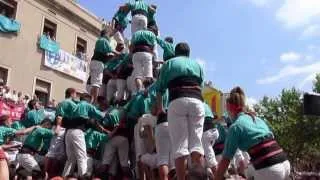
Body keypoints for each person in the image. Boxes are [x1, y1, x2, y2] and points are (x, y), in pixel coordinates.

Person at [214, 87, 291, 180]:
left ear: (230, 108)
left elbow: (225, 161)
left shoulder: (235, 127)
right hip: (285, 163)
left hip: (269, 168)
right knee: (249, 172)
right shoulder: (257, 119)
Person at [156, 42, 205, 180]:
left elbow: (159, 89)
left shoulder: (169, 63)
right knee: (196, 144)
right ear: (188, 54)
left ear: (176, 53)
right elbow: (200, 86)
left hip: (177, 100)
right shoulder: (198, 65)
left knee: (180, 146)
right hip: (197, 101)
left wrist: (160, 108)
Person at [62, 93, 104, 177]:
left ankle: (64, 177)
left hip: (68, 132)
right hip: (78, 132)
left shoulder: (75, 105)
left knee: (71, 159)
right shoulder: (87, 105)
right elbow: (100, 115)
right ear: (88, 99)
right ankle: (83, 177)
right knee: (82, 156)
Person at [90, 30, 118, 104]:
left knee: (93, 83)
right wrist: (118, 53)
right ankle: (95, 101)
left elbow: (105, 52)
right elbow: (110, 49)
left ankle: (92, 100)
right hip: (98, 63)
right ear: (105, 34)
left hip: (94, 62)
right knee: (97, 83)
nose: (109, 37)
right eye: (109, 35)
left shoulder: (99, 41)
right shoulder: (103, 40)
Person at [131, 28, 160, 92]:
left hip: (136, 53)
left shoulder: (136, 33)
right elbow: (153, 48)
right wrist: (154, 59)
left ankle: (139, 90)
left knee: (138, 76)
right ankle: (147, 92)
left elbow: (132, 46)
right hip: (147, 53)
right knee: (148, 75)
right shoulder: (151, 34)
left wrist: (131, 55)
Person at [202, 103, 219, 175]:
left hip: (206, 133)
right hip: (214, 131)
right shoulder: (206, 104)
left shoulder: (197, 104)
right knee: (207, 157)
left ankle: (220, 177)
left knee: (210, 158)